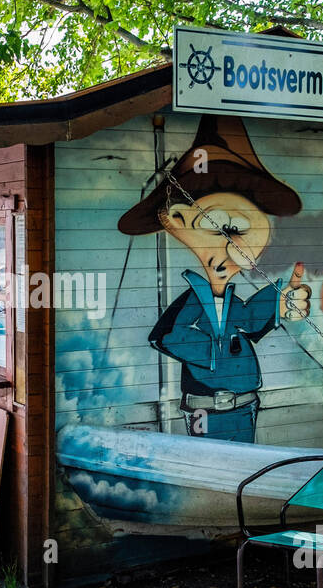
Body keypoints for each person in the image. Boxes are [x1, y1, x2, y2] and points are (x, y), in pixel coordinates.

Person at [118, 115, 311, 443]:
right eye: (229, 227)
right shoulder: (193, 301)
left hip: (246, 406)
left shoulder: (233, 301)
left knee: (246, 467)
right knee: (210, 462)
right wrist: (214, 351)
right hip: (204, 408)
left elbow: (249, 318)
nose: (237, 246)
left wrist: (281, 300)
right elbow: (164, 335)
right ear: (178, 220)